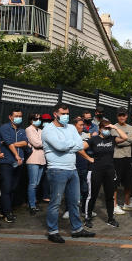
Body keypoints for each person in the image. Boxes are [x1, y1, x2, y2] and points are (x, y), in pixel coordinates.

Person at [41, 103, 95, 243]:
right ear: (55, 114)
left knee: (75, 201)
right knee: (55, 202)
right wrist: (70, 144)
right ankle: (53, 231)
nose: (65, 116)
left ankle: (77, 229)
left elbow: (79, 144)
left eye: (67, 113)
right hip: (57, 169)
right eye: (63, 114)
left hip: (72, 169)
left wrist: (67, 145)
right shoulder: (48, 130)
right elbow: (60, 146)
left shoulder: (71, 127)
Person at [85, 117, 122, 228]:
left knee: (110, 196)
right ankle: (88, 218)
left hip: (109, 171)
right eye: (105, 128)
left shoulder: (112, 139)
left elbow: (125, 137)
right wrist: (89, 158)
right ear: (100, 129)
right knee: (93, 195)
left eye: (108, 128)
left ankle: (111, 218)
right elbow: (80, 148)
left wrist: (114, 127)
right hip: (96, 170)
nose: (107, 130)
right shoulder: (94, 139)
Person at [0, 109, 28, 223]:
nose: (18, 118)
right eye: (16, 116)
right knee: (6, 187)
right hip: (7, 161)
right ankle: (7, 212)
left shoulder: (21, 130)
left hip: (19, 163)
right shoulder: (5, 128)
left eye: (20, 116)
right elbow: (8, 143)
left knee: (14, 187)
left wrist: (10, 143)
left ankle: (2, 209)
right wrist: (16, 154)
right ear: (10, 117)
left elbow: (25, 142)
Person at [112, 108, 132, 214]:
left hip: (128, 158)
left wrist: (124, 138)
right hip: (117, 158)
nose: (122, 117)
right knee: (115, 183)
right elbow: (117, 142)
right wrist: (129, 138)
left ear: (127, 116)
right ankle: (114, 206)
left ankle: (127, 204)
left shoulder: (131, 127)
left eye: (123, 115)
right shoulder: (114, 127)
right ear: (117, 116)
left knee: (129, 182)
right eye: (120, 115)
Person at [25, 113, 45, 216]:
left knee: (37, 183)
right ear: (31, 120)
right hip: (32, 159)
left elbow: (41, 142)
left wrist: (43, 142)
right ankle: (32, 205)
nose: (38, 120)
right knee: (33, 183)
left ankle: (34, 203)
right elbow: (36, 143)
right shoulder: (29, 129)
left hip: (42, 158)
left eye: (39, 118)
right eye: (36, 119)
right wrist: (45, 142)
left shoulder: (41, 130)